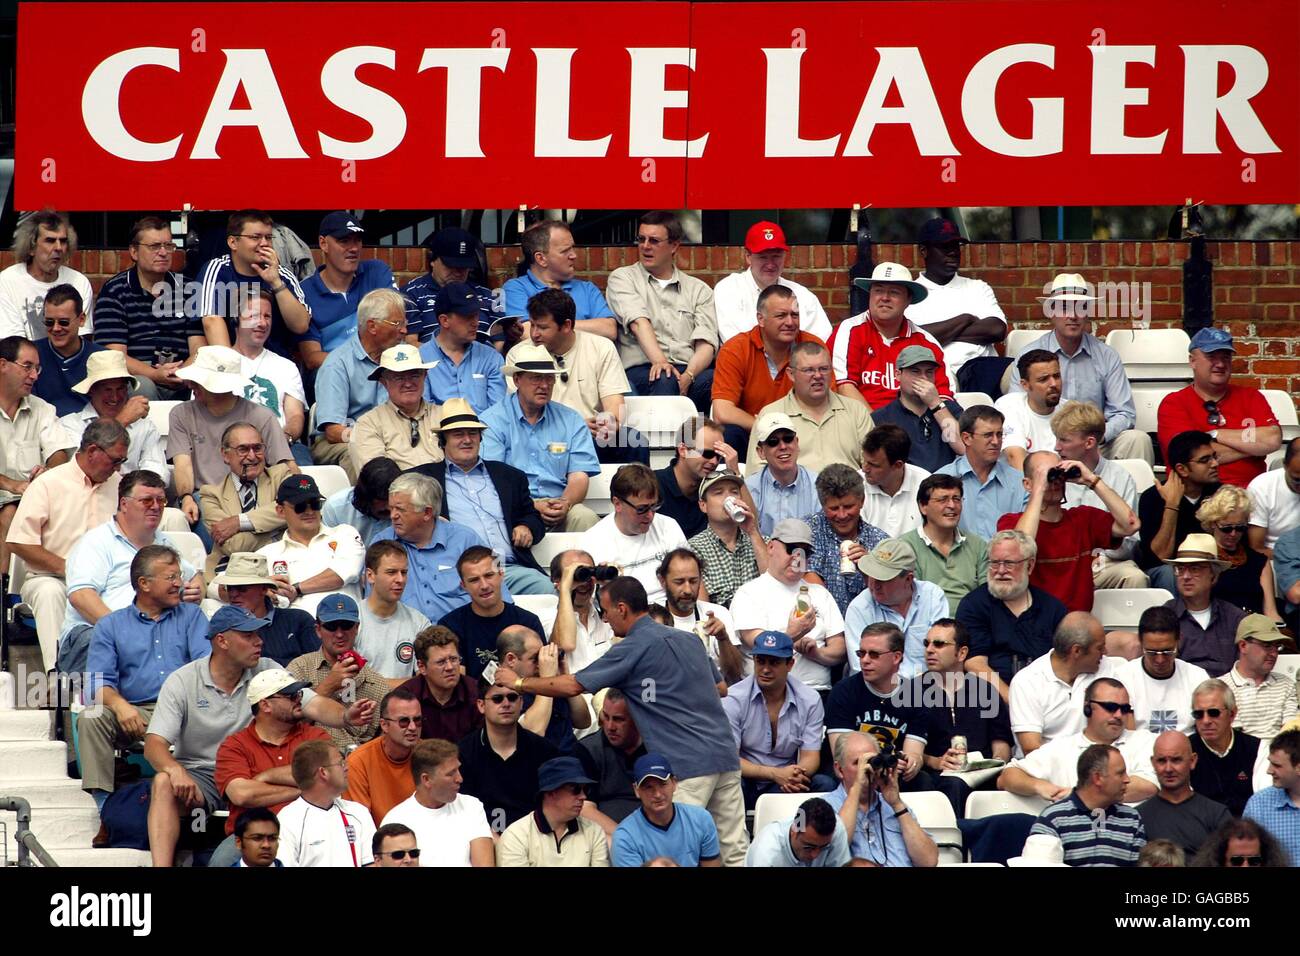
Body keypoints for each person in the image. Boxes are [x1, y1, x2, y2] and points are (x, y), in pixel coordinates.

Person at [495, 576, 749, 866]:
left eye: (605, 611)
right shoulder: (689, 639)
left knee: (673, 853)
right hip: (725, 755)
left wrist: (519, 682)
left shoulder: (632, 647)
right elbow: (720, 689)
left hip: (685, 764)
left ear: (622, 608)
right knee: (733, 850)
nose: (604, 619)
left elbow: (573, 686)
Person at [144, 605, 372, 867]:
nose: (259, 641)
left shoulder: (266, 668)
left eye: (259, 634)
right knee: (163, 781)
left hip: (253, 769)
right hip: (201, 774)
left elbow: (314, 704)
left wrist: (345, 716)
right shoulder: (183, 680)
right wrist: (174, 770)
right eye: (248, 636)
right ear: (222, 641)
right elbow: (154, 745)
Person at [79, 544, 209, 807]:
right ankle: (105, 807)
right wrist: (120, 706)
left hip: (187, 711)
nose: (179, 584)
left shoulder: (192, 616)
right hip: (139, 714)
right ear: (144, 584)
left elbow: (206, 666)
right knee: (91, 716)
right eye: (171, 577)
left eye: (179, 576)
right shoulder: (110, 625)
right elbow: (95, 682)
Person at [7, 418, 128, 669]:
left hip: (109, 578)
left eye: (121, 462)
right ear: (93, 451)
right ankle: (58, 675)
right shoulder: (48, 483)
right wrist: (69, 567)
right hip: (52, 576)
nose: (117, 468)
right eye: (115, 460)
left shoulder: (120, 487)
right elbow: (19, 542)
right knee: (50, 593)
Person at [59, 471, 202, 670]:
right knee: (101, 642)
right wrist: (128, 632)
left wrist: (194, 592)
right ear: (124, 504)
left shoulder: (164, 543)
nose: (155, 506)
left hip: (154, 632)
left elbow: (195, 577)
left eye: (161, 501)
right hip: (96, 632)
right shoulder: (96, 542)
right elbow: (81, 597)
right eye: (146, 501)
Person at [1009, 273, 1153, 463]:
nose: (1073, 316)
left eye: (1081, 307)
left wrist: (1093, 438)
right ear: (1051, 312)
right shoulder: (1029, 356)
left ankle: (1135, 494)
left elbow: (1124, 413)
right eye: (1065, 307)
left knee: (1137, 439)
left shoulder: (1106, 355)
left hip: (1094, 443)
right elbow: (1015, 408)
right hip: (1046, 443)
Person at [170, 346, 296, 533]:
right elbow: (182, 465)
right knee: (199, 508)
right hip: (208, 497)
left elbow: (288, 468)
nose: (190, 385)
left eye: (198, 381)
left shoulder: (262, 416)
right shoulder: (181, 414)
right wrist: (186, 496)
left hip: (255, 494)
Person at [513, 288, 644, 464]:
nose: (534, 334)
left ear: (566, 325)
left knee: (633, 440)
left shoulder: (601, 347)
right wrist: (575, 425)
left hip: (591, 434)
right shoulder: (520, 354)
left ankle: (636, 491)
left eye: (543, 327)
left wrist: (606, 424)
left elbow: (614, 406)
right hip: (543, 433)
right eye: (532, 325)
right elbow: (521, 412)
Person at [1000, 450, 1140, 614]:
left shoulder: (1083, 519)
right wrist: (1039, 489)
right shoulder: (1010, 521)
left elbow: (1130, 525)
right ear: (1027, 484)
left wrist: (1092, 480)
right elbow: (1020, 548)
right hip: (1033, 623)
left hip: (1076, 626)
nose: (1054, 481)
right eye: (1046, 474)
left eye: (1058, 473)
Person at [212, 668, 328, 866]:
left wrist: (266, 777)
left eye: (298, 694)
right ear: (265, 704)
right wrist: (303, 789)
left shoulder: (315, 736)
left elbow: (327, 775)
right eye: (291, 696)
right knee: (221, 862)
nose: (298, 699)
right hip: (254, 836)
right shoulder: (235, 745)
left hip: (312, 828)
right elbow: (242, 795)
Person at [481, 342, 602, 532]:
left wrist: (565, 503)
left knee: (584, 517)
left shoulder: (571, 420)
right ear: (517, 380)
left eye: (549, 378)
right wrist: (532, 506)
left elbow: (579, 476)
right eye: (536, 378)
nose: (544, 385)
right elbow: (494, 480)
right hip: (514, 507)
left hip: (558, 503)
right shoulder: (492, 421)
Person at [86, 215, 205, 401]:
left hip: (184, 376)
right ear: (134, 252)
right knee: (144, 387)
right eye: (154, 246)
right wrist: (154, 374)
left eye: (169, 246)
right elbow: (114, 354)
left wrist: (181, 373)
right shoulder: (115, 291)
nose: (164, 252)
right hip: (136, 379)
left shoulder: (188, 289)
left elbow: (199, 348)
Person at [607, 211, 717, 411]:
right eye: (641, 239)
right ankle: (663, 443)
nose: (645, 246)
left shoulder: (698, 289)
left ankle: (694, 439)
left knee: (712, 380)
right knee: (664, 377)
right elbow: (639, 323)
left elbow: (706, 344)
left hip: (688, 369)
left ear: (674, 245)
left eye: (654, 241)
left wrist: (689, 375)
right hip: (642, 370)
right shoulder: (623, 278)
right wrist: (661, 362)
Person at [711, 284, 836, 455]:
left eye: (795, 315)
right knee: (730, 434)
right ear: (761, 319)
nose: (790, 322)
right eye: (781, 316)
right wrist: (769, 427)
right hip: (754, 435)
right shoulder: (736, 349)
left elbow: (830, 401)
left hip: (803, 435)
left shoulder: (812, 347)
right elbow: (723, 412)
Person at [732, 519, 847, 694]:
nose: (797, 558)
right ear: (771, 547)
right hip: (765, 693)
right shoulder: (749, 593)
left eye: (805, 552)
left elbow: (839, 649)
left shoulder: (820, 593)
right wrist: (791, 635)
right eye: (791, 549)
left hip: (816, 691)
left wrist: (816, 653)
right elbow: (756, 643)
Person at [998, 678, 1158, 803]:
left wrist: (1078, 796)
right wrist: (1039, 786)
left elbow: (1148, 786)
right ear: (1087, 707)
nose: (1117, 715)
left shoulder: (1146, 742)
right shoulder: (1061, 747)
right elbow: (1006, 777)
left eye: (1124, 709)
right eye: (1110, 707)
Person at [1158, 328, 1281, 489]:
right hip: (1198, 496)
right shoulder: (1174, 403)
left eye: (1226, 357)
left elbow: (1272, 439)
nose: (1221, 364)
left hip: (1251, 493)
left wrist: (1216, 435)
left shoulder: (1251, 397)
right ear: (1192, 361)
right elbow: (1188, 455)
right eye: (1211, 357)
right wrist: (1255, 448)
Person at [722, 630, 831, 807]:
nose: (765, 669)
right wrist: (774, 774)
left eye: (774, 663)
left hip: (787, 780)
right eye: (760, 661)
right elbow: (730, 759)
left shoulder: (809, 699)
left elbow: (811, 756)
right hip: (746, 779)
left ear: (790, 664)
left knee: (824, 784)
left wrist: (794, 775)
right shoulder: (733, 698)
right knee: (729, 782)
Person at [956, 529, 1069, 701]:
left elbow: (1065, 662)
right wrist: (1013, 701)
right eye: (994, 563)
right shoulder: (973, 605)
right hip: (992, 702)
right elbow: (975, 664)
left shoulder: (1053, 608)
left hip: (1047, 698)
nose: (1000, 571)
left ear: (1029, 566)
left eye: (1009, 563)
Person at [312, 288, 413, 476]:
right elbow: (333, 432)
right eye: (396, 323)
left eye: (405, 323)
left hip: (396, 436)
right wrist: (371, 438)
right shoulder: (338, 364)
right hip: (345, 440)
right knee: (360, 453)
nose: (404, 330)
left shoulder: (404, 356)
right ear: (372, 326)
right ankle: (367, 505)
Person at [1052, 400, 1148, 590]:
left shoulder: (1120, 477)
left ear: (1089, 442)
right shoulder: (1052, 473)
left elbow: (1129, 544)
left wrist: (1099, 554)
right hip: (1062, 563)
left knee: (1134, 576)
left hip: (1106, 564)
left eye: (1064, 440)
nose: (1056, 447)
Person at [829, 261, 952, 410]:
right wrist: (878, 431)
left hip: (916, 425)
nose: (885, 297)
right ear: (870, 295)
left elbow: (944, 398)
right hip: (862, 425)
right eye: (878, 290)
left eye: (894, 292)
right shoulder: (849, 331)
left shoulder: (927, 343)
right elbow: (843, 388)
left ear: (908, 300)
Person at [371, 472, 493, 622]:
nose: (393, 516)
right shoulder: (381, 543)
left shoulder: (467, 539)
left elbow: (498, 592)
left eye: (400, 509)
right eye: (391, 509)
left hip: (462, 634)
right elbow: (373, 606)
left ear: (427, 513)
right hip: (403, 637)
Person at [902, 217, 1007, 387]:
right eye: (944, 247)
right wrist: (964, 319)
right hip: (935, 375)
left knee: (1025, 369)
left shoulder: (977, 287)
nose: (953, 252)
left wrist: (938, 334)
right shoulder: (911, 294)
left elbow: (997, 330)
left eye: (956, 246)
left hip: (982, 369)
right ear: (924, 251)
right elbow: (915, 342)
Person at [746, 341, 875, 472]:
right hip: (792, 491)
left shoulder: (856, 411)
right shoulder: (770, 415)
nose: (818, 376)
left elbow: (874, 465)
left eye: (824, 369)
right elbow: (757, 474)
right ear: (791, 374)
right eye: (809, 370)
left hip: (849, 490)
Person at [0, 335, 73, 567]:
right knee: (10, 512)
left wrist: (49, 470)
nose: (34, 375)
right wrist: (11, 484)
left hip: (31, 500)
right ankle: (5, 594)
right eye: (27, 367)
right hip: (12, 499)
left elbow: (59, 453)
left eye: (37, 368)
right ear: (2, 365)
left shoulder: (42, 409)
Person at [198, 210, 310, 359]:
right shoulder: (217, 270)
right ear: (233, 242)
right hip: (233, 362)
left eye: (268, 237)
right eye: (255, 237)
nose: (264, 243)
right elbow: (211, 320)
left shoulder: (282, 274)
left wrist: (275, 282)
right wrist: (232, 368)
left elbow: (301, 325)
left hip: (277, 364)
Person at [1009, 611, 1125, 754]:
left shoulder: (1107, 668)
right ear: (1076, 651)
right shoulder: (1027, 682)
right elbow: (1031, 748)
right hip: (1047, 768)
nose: (1105, 652)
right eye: (1099, 648)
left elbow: (1124, 723)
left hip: (1098, 763)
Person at [914, 620, 1012, 787]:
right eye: (927, 643)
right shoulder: (912, 691)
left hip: (981, 777)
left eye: (938, 644)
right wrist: (935, 762)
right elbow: (903, 748)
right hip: (933, 777)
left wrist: (993, 764)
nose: (929, 650)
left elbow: (1001, 742)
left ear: (961, 653)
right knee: (951, 784)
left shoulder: (985, 691)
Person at [458, 674, 562, 830]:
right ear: (481, 705)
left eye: (512, 697)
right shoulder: (462, 754)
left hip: (536, 842)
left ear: (521, 703)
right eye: (497, 699)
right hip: (482, 842)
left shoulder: (545, 751)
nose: (506, 704)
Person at [825, 623, 928, 778]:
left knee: (923, 780)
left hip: (894, 776)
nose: (864, 660)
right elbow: (843, 756)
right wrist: (882, 763)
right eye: (861, 653)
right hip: (853, 776)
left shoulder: (916, 695)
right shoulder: (843, 691)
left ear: (896, 657)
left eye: (874, 654)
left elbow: (914, 752)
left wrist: (910, 763)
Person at [288, 593, 389, 749]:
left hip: (357, 764)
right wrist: (329, 684)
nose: (340, 634)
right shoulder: (299, 669)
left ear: (357, 628)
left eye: (346, 625)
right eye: (331, 626)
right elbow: (285, 723)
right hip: (311, 760)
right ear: (318, 630)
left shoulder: (376, 684)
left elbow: (384, 742)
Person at [822, 731, 939, 866]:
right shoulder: (825, 808)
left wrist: (897, 804)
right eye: (857, 763)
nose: (866, 769)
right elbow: (832, 851)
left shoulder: (895, 806)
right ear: (839, 770)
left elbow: (929, 861)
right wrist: (857, 789)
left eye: (872, 761)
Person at [299, 212, 399, 368]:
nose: (353, 248)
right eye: (344, 241)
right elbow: (312, 358)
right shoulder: (305, 292)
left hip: (383, 371)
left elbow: (394, 325)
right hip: (336, 374)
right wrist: (360, 363)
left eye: (357, 241)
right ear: (323, 243)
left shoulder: (377, 272)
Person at [256, 475, 365, 615]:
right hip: (295, 632)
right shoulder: (267, 553)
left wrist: (296, 589)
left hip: (345, 628)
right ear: (281, 511)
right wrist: (260, 588)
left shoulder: (345, 534)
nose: (309, 511)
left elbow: (346, 572)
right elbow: (221, 587)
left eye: (315, 504)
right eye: (300, 506)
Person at [580, 463, 687, 604]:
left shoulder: (669, 526)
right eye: (641, 509)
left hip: (672, 611)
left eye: (654, 506)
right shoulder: (592, 541)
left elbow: (692, 578)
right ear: (617, 504)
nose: (650, 515)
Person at [843, 538, 948, 679]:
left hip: (928, 686)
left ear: (908, 579)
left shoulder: (932, 596)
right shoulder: (860, 607)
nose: (874, 584)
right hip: (878, 690)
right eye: (871, 576)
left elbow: (942, 655)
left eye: (883, 579)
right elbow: (860, 667)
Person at [199, 421, 295, 577]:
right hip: (228, 572)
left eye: (257, 448)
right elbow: (233, 547)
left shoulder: (282, 475)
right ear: (225, 454)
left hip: (280, 566)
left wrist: (239, 522)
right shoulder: (210, 494)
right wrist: (277, 531)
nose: (252, 456)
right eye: (243, 449)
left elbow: (292, 510)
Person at [1026, 744, 1148, 866]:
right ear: (1098, 778)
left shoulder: (1131, 818)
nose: (1127, 780)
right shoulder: (1053, 818)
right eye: (1120, 773)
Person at [712, 220, 831, 344]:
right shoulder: (728, 289)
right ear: (748, 256)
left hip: (798, 363)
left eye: (776, 256)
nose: (770, 264)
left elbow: (821, 343)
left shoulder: (802, 295)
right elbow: (736, 345)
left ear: (785, 256)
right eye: (763, 257)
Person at [380, 738, 495, 866]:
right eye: (451, 774)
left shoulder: (471, 806)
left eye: (458, 770)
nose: (460, 779)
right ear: (426, 779)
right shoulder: (396, 819)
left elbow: (484, 864)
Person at [59, 350, 168, 483]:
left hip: (133, 498)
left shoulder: (144, 425)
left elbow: (158, 472)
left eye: (120, 389)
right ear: (91, 390)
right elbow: (84, 470)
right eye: (107, 389)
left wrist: (130, 490)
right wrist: (122, 422)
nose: (115, 397)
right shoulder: (69, 424)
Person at [438, 547, 545, 679]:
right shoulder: (450, 626)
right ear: (463, 585)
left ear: (501, 574)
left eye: (489, 575)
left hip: (524, 695)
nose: (484, 585)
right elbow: (456, 683)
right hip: (472, 698)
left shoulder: (528, 622)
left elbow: (542, 674)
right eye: (474, 580)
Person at [502, 220, 616, 340]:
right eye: (565, 251)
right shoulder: (515, 288)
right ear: (541, 259)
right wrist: (585, 327)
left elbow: (609, 329)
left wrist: (551, 327)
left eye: (572, 248)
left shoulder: (587, 289)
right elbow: (526, 333)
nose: (574, 255)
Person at [1139, 430, 1221, 591]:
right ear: (1182, 469)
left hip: (1209, 566)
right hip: (1168, 571)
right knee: (1169, 574)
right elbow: (1160, 557)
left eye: (1214, 457)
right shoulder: (1153, 497)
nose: (1215, 464)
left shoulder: (1220, 494)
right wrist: (1172, 505)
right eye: (1205, 460)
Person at [231, 290, 308, 461]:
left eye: (267, 316)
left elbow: (295, 415)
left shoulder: (286, 366)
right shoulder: (216, 364)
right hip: (234, 450)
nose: (263, 323)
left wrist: (284, 437)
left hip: (282, 444)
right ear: (235, 319)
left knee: (304, 482)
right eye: (254, 316)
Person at [274, 740, 376, 867]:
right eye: (341, 763)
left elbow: (371, 863)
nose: (347, 767)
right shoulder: (288, 820)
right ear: (323, 772)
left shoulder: (358, 813)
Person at [866, 345, 964, 474]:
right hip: (906, 487)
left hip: (946, 486)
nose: (924, 378)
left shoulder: (948, 409)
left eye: (929, 372)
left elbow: (963, 448)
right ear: (898, 374)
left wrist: (935, 404)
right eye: (915, 371)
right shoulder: (882, 417)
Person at [496, 756, 610, 867]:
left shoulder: (594, 832)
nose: (583, 796)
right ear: (550, 792)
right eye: (575, 789)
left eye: (585, 789)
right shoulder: (516, 836)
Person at [611, 754, 722, 867]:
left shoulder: (701, 819)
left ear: (674, 783)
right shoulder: (625, 836)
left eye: (663, 784)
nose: (658, 794)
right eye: (649, 787)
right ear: (636, 790)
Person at [348, 343, 443, 474]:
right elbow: (376, 479)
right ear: (384, 382)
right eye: (399, 377)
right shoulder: (368, 424)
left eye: (415, 375)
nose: (408, 383)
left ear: (424, 376)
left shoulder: (444, 416)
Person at [0, 209, 95, 341]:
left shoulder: (78, 281)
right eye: (50, 240)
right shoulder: (8, 280)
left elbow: (82, 340)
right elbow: (12, 344)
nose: (59, 248)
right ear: (31, 247)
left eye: (63, 241)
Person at [901, 473, 988, 615]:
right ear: (923, 506)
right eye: (943, 500)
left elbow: (986, 594)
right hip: (926, 625)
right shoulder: (905, 546)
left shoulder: (977, 545)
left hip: (970, 624)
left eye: (956, 499)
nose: (952, 506)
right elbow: (911, 600)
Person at [936, 405, 1027, 540]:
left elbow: (1025, 538)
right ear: (966, 438)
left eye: (999, 434)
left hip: (1006, 559)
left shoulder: (1020, 482)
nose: (996, 442)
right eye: (988, 435)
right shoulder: (940, 481)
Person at [1162, 533, 1247, 677]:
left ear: (1213, 576)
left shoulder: (1235, 618)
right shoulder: (1164, 617)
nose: (1186, 576)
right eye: (1180, 569)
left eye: (1195, 569)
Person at [496, 625, 592, 750]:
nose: (541, 664)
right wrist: (547, 678)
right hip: (538, 763)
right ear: (511, 659)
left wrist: (564, 676)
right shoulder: (498, 691)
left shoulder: (546, 680)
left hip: (570, 756)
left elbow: (583, 722)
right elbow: (534, 732)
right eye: (535, 658)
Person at [1137, 730, 1232, 857]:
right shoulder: (1138, 817)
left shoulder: (1217, 814)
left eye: (1176, 760)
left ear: (1192, 761)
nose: (1168, 769)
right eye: (1161, 761)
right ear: (1153, 763)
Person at [213, 553, 318, 667]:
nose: (233, 594)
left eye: (241, 589)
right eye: (229, 588)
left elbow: (319, 667)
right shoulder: (222, 628)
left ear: (264, 589)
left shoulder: (298, 620)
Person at [1118, 606, 1210, 734]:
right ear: (1140, 642)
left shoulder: (1197, 677)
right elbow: (1127, 738)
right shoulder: (1123, 677)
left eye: (1167, 651)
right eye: (1151, 652)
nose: (1160, 660)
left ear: (1179, 640)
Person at [658, 548, 745, 683]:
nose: (687, 590)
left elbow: (735, 675)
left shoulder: (719, 613)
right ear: (663, 581)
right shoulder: (652, 619)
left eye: (693, 581)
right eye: (679, 582)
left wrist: (723, 639)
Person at [1188, 678, 1272, 817]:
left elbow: (1264, 801)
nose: (1206, 721)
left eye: (1213, 713)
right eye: (1198, 714)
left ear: (1232, 714)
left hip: (1247, 829)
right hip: (1201, 829)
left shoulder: (1257, 749)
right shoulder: (1185, 750)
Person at [402, 226, 499, 346]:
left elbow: (499, 340)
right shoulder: (412, 293)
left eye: (464, 266)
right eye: (451, 265)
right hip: (432, 362)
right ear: (432, 260)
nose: (458, 272)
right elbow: (410, 342)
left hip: (485, 361)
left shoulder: (489, 295)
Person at [685, 467, 767, 609]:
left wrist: (753, 531)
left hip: (762, 621)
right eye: (718, 492)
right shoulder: (693, 549)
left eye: (734, 492)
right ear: (703, 505)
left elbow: (776, 585)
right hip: (721, 625)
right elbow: (702, 609)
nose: (729, 498)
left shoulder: (762, 541)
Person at [418, 282, 505, 410]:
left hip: (485, 429)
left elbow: (498, 412)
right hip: (436, 428)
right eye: (468, 317)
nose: (476, 323)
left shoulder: (491, 358)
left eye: (476, 315)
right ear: (444, 320)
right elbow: (424, 414)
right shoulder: (420, 359)